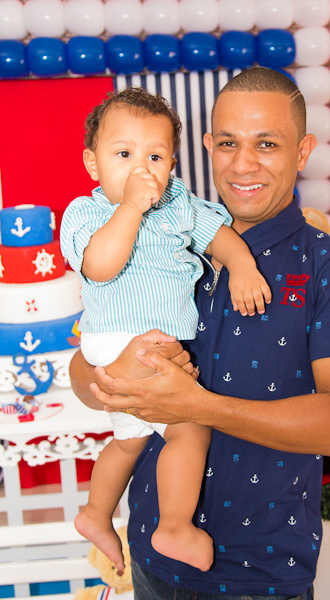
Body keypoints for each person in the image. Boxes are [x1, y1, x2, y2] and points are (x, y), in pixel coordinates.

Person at [70, 68, 330, 600]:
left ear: (303, 151)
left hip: (261, 572)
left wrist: (198, 406)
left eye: (267, 144)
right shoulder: (158, 244)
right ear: (208, 146)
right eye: (229, 143)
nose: (243, 164)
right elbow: (84, 372)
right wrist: (111, 373)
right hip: (151, 559)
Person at [60, 87, 272, 576]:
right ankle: (174, 526)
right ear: (92, 164)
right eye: (124, 154)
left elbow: (218, 236)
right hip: (121, 340)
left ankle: (95, 513)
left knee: (129, 441)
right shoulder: (87, 212)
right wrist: (130, 208)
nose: (142, 169)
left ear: (173, 165)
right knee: (189, 428)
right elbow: (100, 266)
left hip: (152, 345)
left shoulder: (177, 203)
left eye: (155, 157)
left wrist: (241, 265)